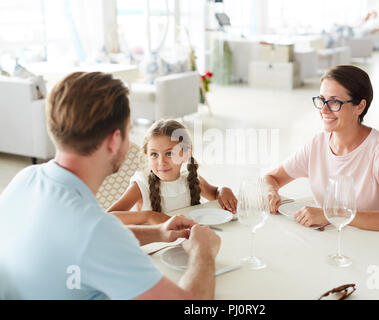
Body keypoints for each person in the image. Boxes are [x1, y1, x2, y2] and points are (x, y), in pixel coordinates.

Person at [0, 72, 220, 300]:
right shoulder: (94, 230)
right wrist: (202, 252)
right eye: (129, 129)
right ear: (115, 140)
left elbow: (88, 242)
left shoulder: (24, 180)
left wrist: (157, 233)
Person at [264, 65, 379, 232]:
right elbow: (271, 178)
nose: (324, 110)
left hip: (372, 246)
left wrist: (331, 215)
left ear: (360, 107)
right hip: (328, 242)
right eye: (321, 100)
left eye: (334, 102)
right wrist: (271, 192)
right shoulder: (317, 144)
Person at [107, 119, 238, 225]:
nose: (161, 162)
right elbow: (107, 218)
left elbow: (215, 194)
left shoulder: (192, 179)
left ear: (186, 154)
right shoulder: (141, 186)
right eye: (154, 154)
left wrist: (223, 190)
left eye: (169, 153)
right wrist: (149, 216)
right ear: (146, 155)